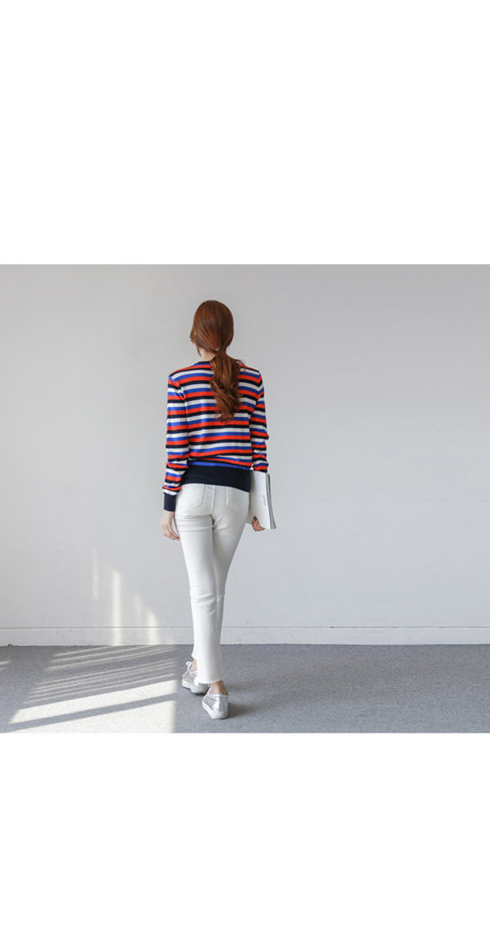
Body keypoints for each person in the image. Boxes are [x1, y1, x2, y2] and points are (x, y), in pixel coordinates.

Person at [160, 300, 269, 720]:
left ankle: (216, 685)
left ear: (195, 335)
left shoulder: (181, 380)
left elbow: (177, 448)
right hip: (236, 494)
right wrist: (258, 503)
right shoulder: (253, 378)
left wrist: (168, 504)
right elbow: (259, 445)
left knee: (205, 590)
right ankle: (196, 668)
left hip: (193, 495)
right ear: (230, 334)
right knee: (213, 588)